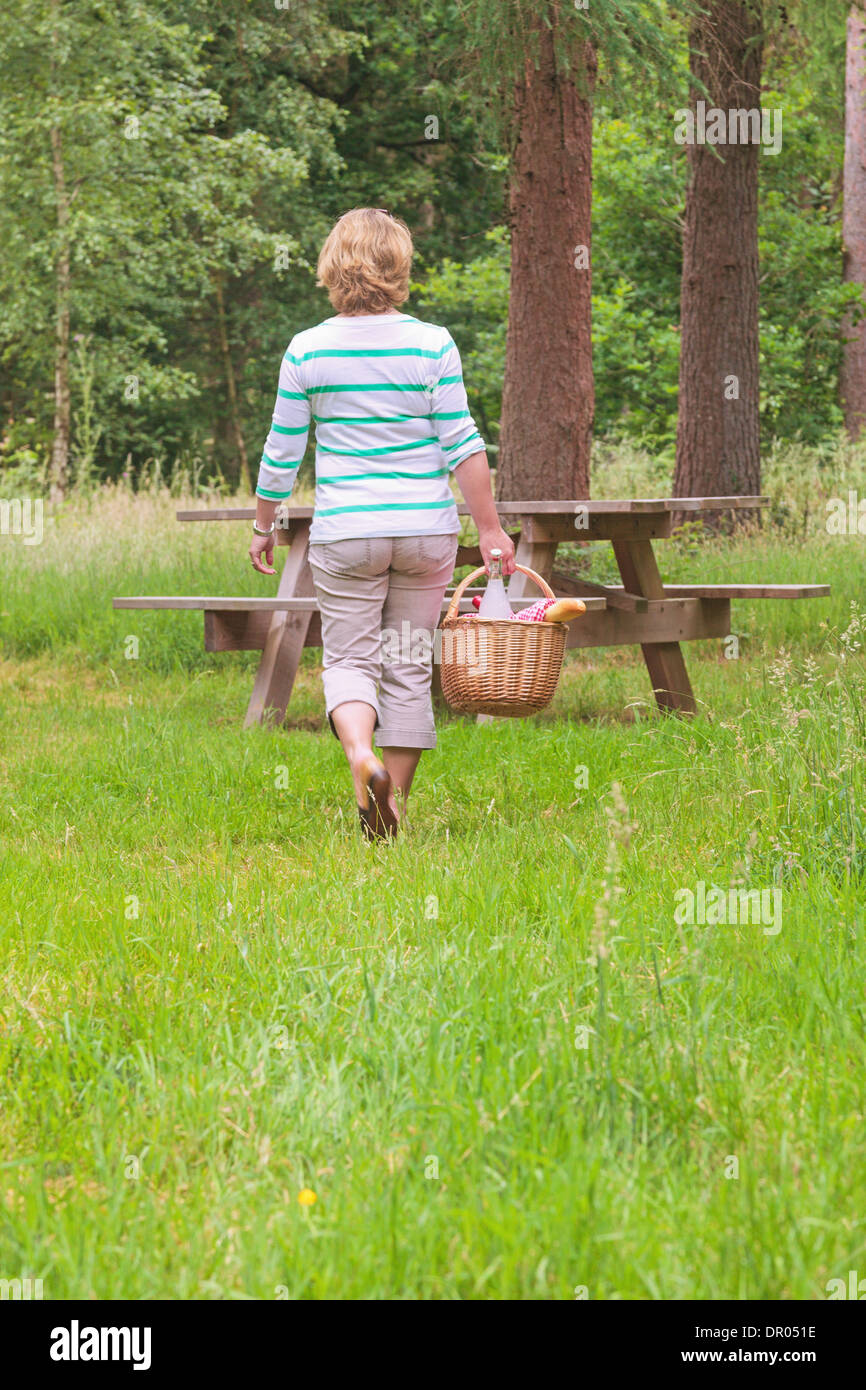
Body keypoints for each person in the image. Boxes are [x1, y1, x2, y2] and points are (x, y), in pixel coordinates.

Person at [249, 207, 515, 839]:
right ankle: (389, 806)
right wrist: (491, 529)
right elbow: (465, 445)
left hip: (346, 533)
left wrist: (265, 524)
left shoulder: (307, 348)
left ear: (332, 267)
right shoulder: (432, 343)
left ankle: (359, 756)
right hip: (425, 532)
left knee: (349, 659)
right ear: (399, 267)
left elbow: (282, 449)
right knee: (408, 661)